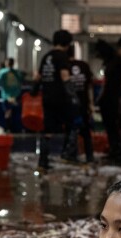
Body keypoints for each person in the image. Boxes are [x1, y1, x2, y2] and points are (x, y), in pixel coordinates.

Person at [33, 30, 75, 167]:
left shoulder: (46, 57)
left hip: (47, 97)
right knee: (71, 124)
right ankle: (68, 155)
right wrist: (73, 96)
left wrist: (34, 90)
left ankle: (43, 161)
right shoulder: (62, 56)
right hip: (60, 98)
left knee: (48, 129)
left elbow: (38, 77)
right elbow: (65, 76)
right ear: (67, 44)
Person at [94, 40, 121, 163]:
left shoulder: (115, 62)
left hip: (112, 99)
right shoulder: (113, 62)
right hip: (109, 98)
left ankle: (117, 151)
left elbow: (111, 84)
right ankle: (115, 149)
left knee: (113, 126)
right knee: (111, 126)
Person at [66, 46, 95, 163]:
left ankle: (71, 156)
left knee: (70, 131)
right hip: (83, 104)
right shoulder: (84, 66)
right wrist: (91, 104)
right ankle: (89, 157)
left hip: (70, 106)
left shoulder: (64, 66)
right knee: (86, 133)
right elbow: (89, 87)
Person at [0, 58, 24, 130]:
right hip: (13, 95)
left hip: (8, 96)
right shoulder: (16, 73)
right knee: (12, 112)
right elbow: (22, 81)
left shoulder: (3, 72)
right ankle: (12, 128)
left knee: (8, 112)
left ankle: (9, 129)